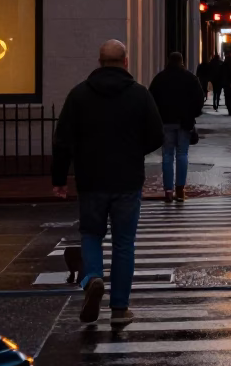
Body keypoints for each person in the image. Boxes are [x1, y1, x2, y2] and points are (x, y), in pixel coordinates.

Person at [51, 40, 164, 324]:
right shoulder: (140, 95)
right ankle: (119, 308)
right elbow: (156, 135)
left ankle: (92, 279)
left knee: (91, 234)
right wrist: (133, 150)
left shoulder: (79, 95)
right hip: (127, 179)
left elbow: (62, 140)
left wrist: (59, 179)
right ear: (126, 62)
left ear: (99, 62)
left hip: (91, 179)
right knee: (124, 243)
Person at [149, 52, 205, 202]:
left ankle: (168, 190)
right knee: (182, 154)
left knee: (167, 156)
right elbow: (200, 99)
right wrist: (192, 114)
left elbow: (151, 99)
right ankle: (180, 189)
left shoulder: (160, 78)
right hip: (184, 122)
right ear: (182, 62)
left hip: (165, 121)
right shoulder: (190, 78)